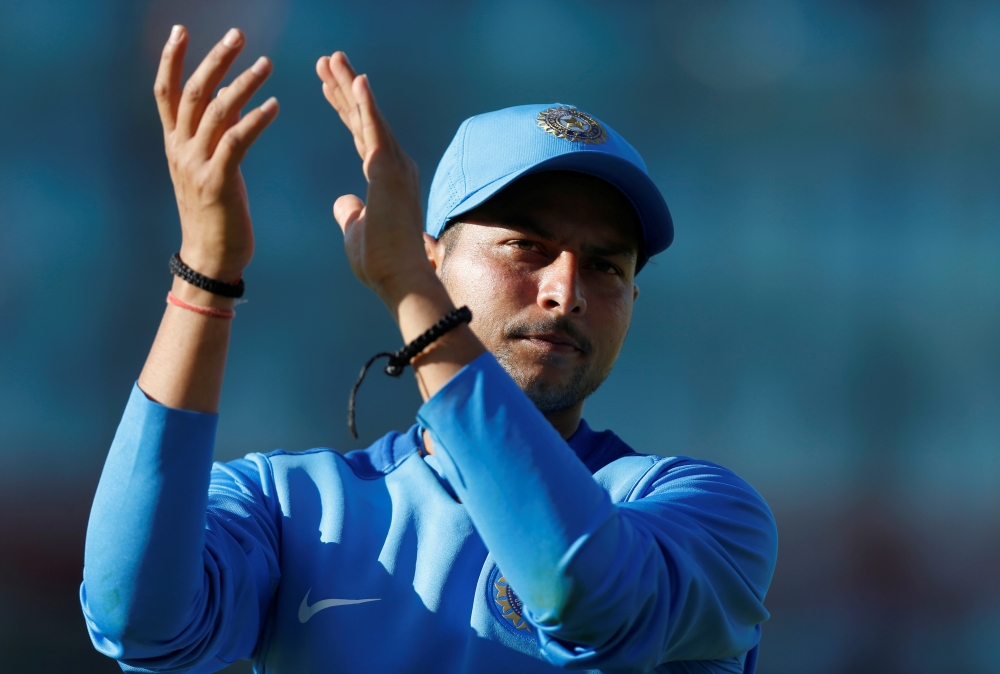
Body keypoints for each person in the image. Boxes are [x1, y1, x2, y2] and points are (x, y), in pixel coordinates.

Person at [81, 26, 778, 674]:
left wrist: (411, 296)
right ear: (432, 260)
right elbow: (137, 621)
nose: (565, 291)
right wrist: (207, 273)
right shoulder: (291, 506)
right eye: (525, 248)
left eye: (605, 267)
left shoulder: (700, 510)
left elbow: (581, 593)